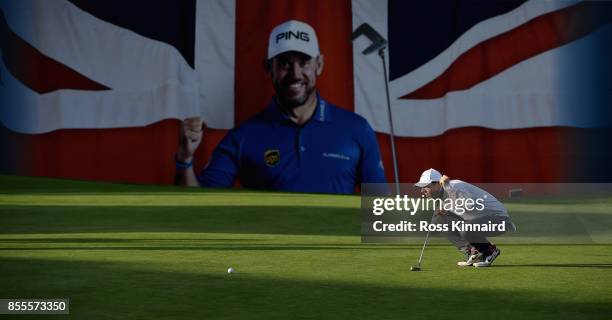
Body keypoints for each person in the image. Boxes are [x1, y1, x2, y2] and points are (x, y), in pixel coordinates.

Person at [175, 20, 386, 194]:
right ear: (269, 68)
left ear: (319, 65)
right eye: (284, 63)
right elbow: (198, 207)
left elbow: (382, 211)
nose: (295, 74)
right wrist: (185, 159)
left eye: (304, 62)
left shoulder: (356, 129)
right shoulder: (243, 137)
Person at [415, 168, 515, 267]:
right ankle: (472, 251)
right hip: (479, 220)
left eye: (425, 186)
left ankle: (489, 251)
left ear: (436, 184)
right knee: (441, 221)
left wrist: (447, 192)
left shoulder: (455, 186)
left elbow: (471, 206)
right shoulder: (440, 197)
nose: (422, 190)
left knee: (466, 228)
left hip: (499, 220)